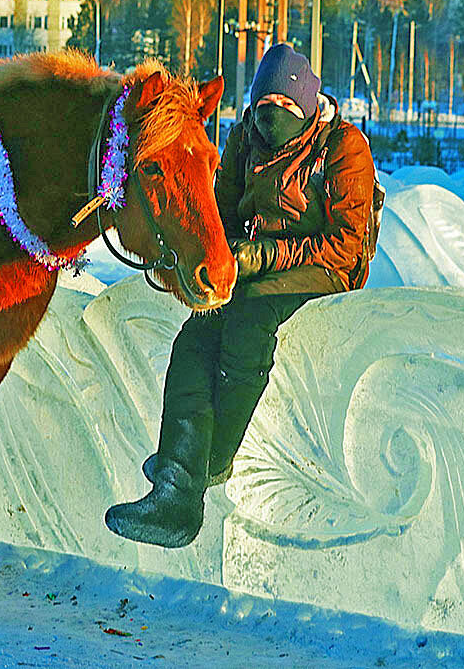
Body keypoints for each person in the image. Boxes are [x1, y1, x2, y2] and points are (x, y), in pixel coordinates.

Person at [105, 43, 380, 548]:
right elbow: (223, 210)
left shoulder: (343, 147)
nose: (273, 117)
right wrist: (221, 254)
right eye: (264, 105)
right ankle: (173, 488)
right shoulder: (243, 141)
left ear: (309, 107)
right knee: (195, 334)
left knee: (248, 327)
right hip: (254, 265)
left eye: (287, 108)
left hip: (318, 270)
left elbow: (345, 243)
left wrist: (261, 257)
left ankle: (206, 464)